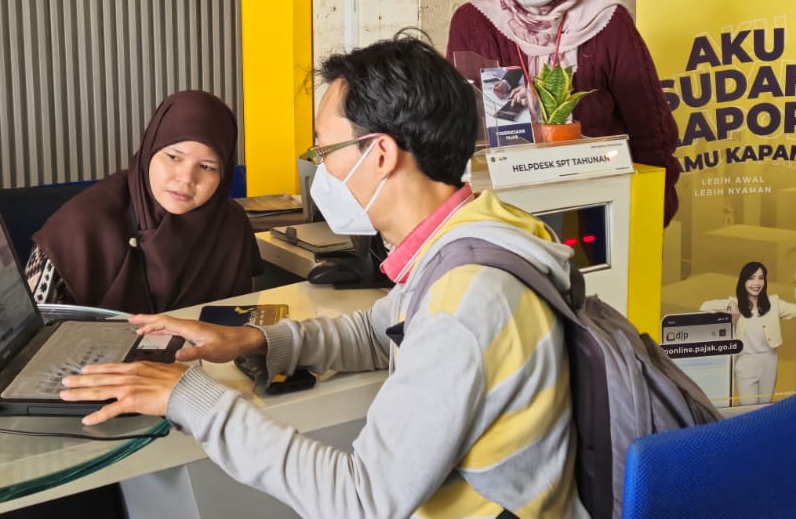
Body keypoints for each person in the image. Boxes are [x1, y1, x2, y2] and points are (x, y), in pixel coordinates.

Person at [59, 37, 586, 519]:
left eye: (324, 151)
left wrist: (189, 398)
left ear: (379, 155)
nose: (319, 171)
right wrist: (257, 339)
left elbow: (361, 500)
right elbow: (380, 330)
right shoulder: (482, 232)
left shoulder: (466, 299)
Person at [447, 0, 682, 225]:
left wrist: (652, 210)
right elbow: (459, 129)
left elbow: (651, 128)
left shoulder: (607, 21)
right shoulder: (476, 21)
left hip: (600, 202)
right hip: (505, 205)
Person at [24, 90, 257, 314]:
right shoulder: (79, 227)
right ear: (150, 151)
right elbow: (34, 336)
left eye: (207, 167)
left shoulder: (230, 226)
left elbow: (239, 324)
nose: (186, 179)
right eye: (174, 157)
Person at [699, 260, 796, 406]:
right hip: (745, 363)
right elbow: (704, 307)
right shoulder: (735, 303)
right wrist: (729, 304)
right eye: (751, 278)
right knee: (748, 408)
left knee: (765, 407)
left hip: (769, 362)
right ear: (743, 281)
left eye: (760, 278)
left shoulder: (774, 303)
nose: (756, 283)